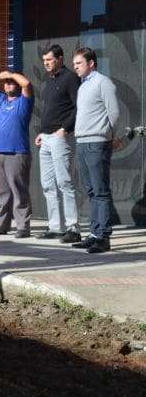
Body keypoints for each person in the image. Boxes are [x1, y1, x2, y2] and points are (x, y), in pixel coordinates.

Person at [71, 47, 122, 254]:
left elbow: (115, 113)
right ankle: (93, 233)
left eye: (79, 63)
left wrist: (110, 136)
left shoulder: (103, 82)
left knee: (101, 191)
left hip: (97, 143)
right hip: (82, 142)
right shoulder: (83, 86)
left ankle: (103, 237)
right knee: (91, 190)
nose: (75, 68)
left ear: (91, 63)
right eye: (74, 64)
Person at [34, 45, 82, 243]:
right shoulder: (50, 80)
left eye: (50, 60)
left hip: (60, 137)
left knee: (64, 183)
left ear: (60, 59)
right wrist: (41, 133)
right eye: (44, 60)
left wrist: (65, 129)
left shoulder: (70, 79)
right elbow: (52, 110)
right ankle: (55, 226)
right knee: (47, 185)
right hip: (45, 138)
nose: (46, 63)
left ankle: (73, 228)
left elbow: (79, 106)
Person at [0, 71, 34, 238]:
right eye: (6, 83)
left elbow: (27, 84)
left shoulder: (24, 100)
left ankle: (23, 226)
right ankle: (0, 226)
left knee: (19, 191)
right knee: (2, 193)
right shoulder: (0, 99)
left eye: (11, 82)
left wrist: (11, 74)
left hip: (17, 152)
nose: (8, 85)